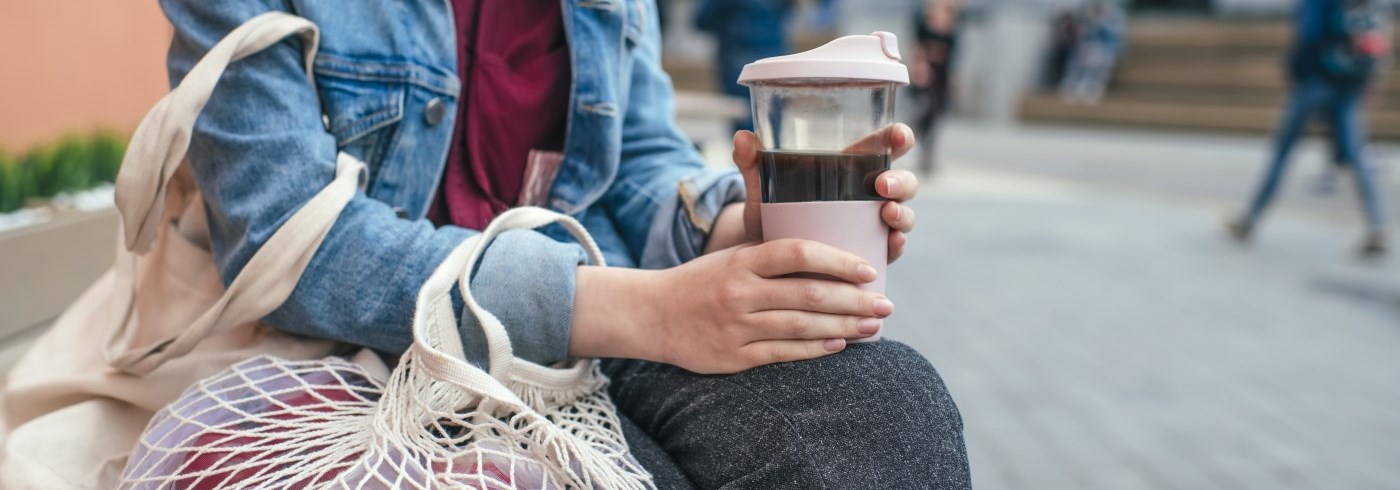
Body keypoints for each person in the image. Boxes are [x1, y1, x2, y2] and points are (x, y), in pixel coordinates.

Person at [158, 0, 970, 488]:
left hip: (610, 334)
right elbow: (285, 241)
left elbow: (636, 161)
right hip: (368, 354)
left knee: (884, 406)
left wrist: (740, 229)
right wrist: (641, 310)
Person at [1229, 0, 1391, 257]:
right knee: (1356, 154)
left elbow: (1309, 35)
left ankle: (1250, 220)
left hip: (1315, 82)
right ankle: (1377, 226)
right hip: (1347, 84)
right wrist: (1367, 78)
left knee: (1283, 151)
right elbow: (1372, 35)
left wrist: (1297, 73)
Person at [693, 0, 795, 133]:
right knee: (772, 127)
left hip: (738, 63)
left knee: (745, 130)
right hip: (775, 58)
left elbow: (701, 20)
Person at [911, 0, 963, 175]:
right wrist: (919, 67)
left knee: (937, 115)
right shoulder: (924, 18)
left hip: (943, 74)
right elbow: (918, 47)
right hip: (928, 72)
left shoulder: (954, 21)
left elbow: (953, 54)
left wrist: (953, 79)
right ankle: (915, 142)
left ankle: (928, 155)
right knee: (923, 111)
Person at [1059, 1, 1125, 104]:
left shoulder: (1114, 18)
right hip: (1088, 49)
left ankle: (1093, 85)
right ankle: (1072, 84)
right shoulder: (1086, 17)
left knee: (1097, 57)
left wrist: (1100, 25)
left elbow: (1115, 40)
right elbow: (1081, 37)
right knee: (1078, 55)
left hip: (1107, 51)